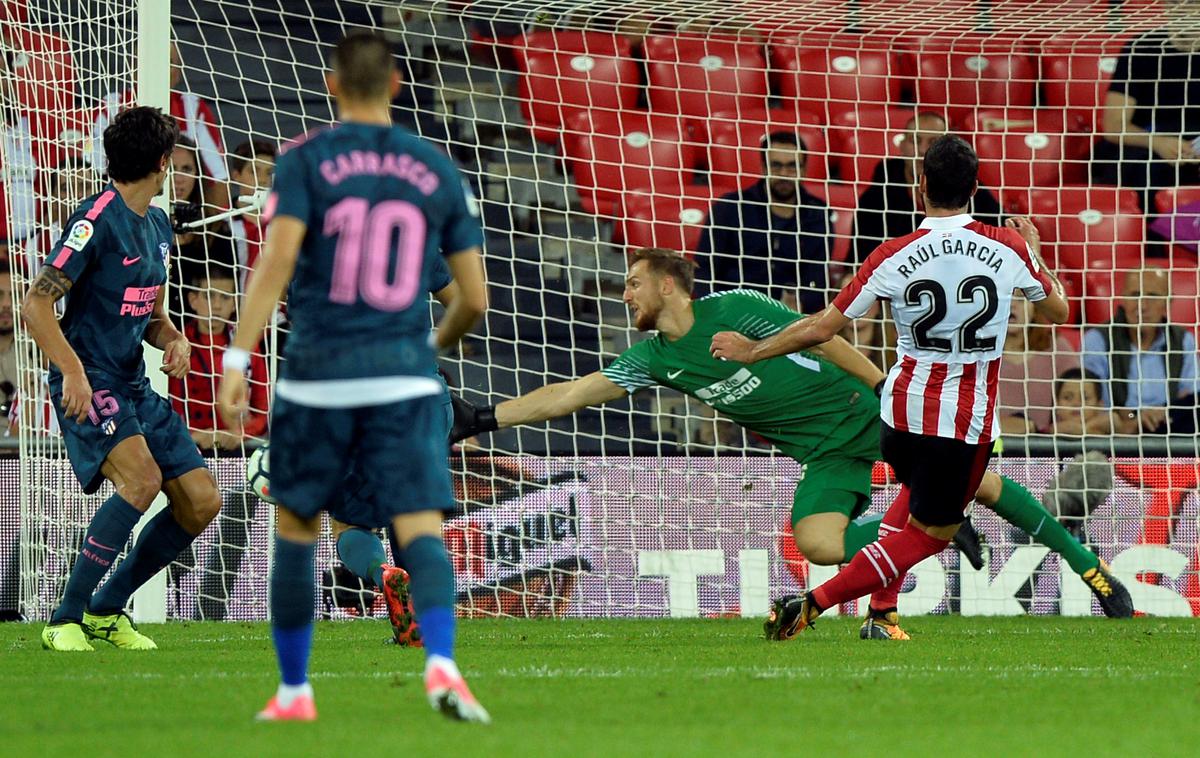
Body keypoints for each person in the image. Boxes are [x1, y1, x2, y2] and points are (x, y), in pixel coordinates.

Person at [450, 247, 1133, 642]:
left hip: (866, 411)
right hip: (824, 456)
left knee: (978, 483)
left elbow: (825, 333)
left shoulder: (736, 306)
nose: (624, 294)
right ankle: (935, 534)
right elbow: (572, 392)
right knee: (817, 541)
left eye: (632, 282)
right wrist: (483, 417)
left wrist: (886, 390)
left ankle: (1090, 568)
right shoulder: (652, 357)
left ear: (666, 285)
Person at [709, 135, 1132, 638]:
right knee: (933, 534)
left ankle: (882, 615)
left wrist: (753, 350)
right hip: (962, 420)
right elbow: (1059, 310)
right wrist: (1036, 255)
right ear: (975, 188)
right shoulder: (1008, 246)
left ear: (921, 186)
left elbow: (823, 327)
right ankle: (812, 603)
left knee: (912, 501)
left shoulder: (892, 253)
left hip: (899, 415)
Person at [216, 31, 490, 723]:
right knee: (421, 527)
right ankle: (445, 669)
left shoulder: (305, 159)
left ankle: (294, 692)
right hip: (403, 379)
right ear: (397, 85)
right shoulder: (435, 168)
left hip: (318, 378)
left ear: (332, 84)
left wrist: (238, 357)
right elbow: (475, 300)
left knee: (301, 526)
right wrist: (428, 346)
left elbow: (274, 264)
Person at [22, 106, 222, 652]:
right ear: (161, 163)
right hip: (90, 379)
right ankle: (64, 618)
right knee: (141, 481)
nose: (178, 169)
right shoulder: (95, 221)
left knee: (203, 501)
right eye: (176, 161)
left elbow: (152, 317)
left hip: (132, 382)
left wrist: (175, 339)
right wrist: (72, 372)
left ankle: (109, 609)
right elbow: (36, 305)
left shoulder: (157, 225)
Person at [695, 131, 832, 314]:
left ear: (804, 169)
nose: (784, 174)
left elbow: (818, 278)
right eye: (776, 166)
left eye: (792, 167)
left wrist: (801, 302)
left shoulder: (818, 215)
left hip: (789, 319)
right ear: (764, 167)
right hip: (730, 312)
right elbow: (704, 269)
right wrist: (717, 310)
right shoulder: (730, 208)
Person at [850, 112, 1003, 266]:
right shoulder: (877, 195)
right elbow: (860, 259)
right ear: (902, 146)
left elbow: (1002, 233)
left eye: (933, 142)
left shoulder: (964, 185)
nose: (923, 150)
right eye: (915, 140)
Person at [1094, 5, 1200, 212]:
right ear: (1171, 10)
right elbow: (1114, 126)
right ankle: (1151, 241)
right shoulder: (1143, 47)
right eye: (1185, 9)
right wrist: (1157, 142)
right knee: (1147, 167)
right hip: (1149, 141)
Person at [1082, 267, 1199, 434]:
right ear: (1122, 298)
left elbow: (1192, 398)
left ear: (1168, 302)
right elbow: (1096, 405)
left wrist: (1162, 414)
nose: (1142, 306)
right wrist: (1133, 417)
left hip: (1169, 427)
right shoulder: (1097, 339)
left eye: (1152, 296)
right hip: (1117, 434)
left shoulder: (1182, 340)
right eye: (1135, 295)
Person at [170, 266, 269, 449]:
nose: (217, 305)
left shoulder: (247, 346)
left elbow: (264, 412)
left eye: (225, 297)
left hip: (240, 445)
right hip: (190, 446)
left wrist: (240, 434)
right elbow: (172, 408)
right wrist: (194, 436)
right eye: (209, 296)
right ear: (193, 300)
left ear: (234, 303)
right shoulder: (178, 345)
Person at [997, 297, 1079, 434]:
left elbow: (1079, 404)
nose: (1011, 305)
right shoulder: (976, 353)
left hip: (1048, 449)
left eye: (1020, 299)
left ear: (1035, 309)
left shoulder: (1057, 349)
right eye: (1005, 297)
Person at [1049, 367, 1113, 436]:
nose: (1076, 404)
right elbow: (1063, 429)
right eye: (1068, 398)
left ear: (1099, 406)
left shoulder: (1110, 430)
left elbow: (1114, 420)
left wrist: (1084, 429)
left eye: (1085, 398)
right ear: (1056, 405)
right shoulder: (1046, 433)